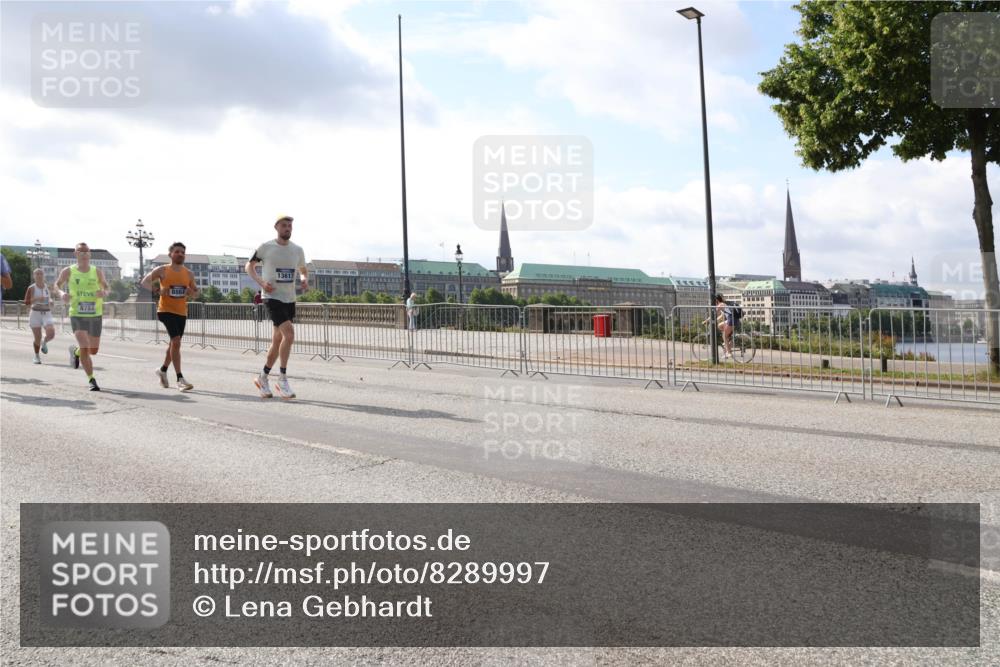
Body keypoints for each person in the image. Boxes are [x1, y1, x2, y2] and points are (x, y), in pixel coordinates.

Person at [245, 215, 308, 398]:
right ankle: (282, 379)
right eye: (284, 225)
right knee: (289, 334)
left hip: (290, 298)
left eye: (290, 225)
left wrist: (304, 279)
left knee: (277, 340)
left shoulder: (297, 250)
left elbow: (303, 269)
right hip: (272, 297)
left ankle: (263, 377)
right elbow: (249, 266)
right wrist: (261, 282)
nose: (287, 228)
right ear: (276, 228)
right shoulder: (266, 247)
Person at [141, 242, 198, 391]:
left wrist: (192, 293)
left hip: (181, 312)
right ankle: (180, 378)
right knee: (176, 341)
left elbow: (196, 292)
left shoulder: (188, 273)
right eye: (177, 252)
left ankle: (163, 370)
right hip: (165, 311)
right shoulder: (162, 270)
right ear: (170, 254)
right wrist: (157, 290)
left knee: (174, 344)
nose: (180, 254)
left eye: (182, 252)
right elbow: (144, 282)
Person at [56, 242, 108, 391]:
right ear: (76, 254)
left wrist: (104, 292)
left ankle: (75, 352)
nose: (84, 253)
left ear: (90, 254)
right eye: (81, 251)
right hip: (77, 314)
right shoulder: (68, 271)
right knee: (85, 346)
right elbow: (56, 284)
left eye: (86, 251)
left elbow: (106, 286)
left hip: (95, 314)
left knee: (93, 350)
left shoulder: (96, 271)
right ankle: (92, 379)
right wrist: (61, 293)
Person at [25, 268, 57, 364]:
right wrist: (37, 299)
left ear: (44, 276)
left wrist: (51, 302)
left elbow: (50, 299)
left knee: (51, 334)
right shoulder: (31, 288)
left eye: (41, 274)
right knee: (37, 337)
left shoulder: (48, 287)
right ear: (34, 276)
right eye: (37, 274)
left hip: (47, 313)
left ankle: (45, 342)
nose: (39, 275)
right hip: (35, 313)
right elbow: (26, 302)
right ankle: (36, 356)